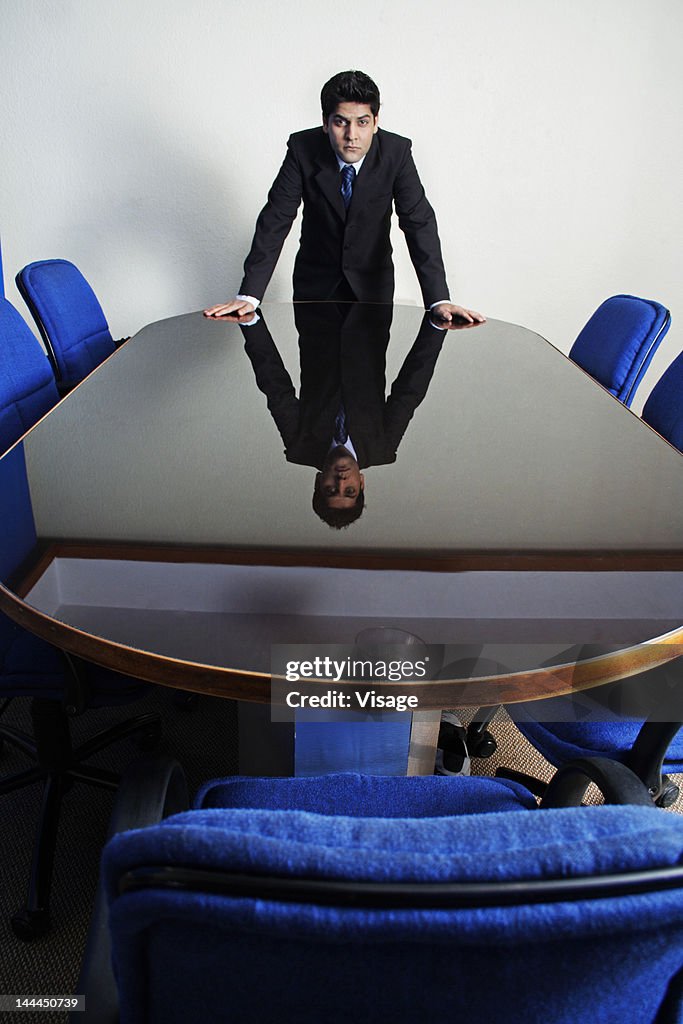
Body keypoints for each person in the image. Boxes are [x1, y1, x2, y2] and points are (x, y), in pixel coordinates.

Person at [204, 70, 484, 324]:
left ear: (375, 122)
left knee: (368, 378)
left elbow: (418, 222)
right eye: (341, 122)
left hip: (373, 290)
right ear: (326, 123)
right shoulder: (302, 149)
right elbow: (276, 218)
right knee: (316, 378)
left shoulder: (397, 153)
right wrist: (249, 296)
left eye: (362, 122)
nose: (352, 135)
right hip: (314, 290)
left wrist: (439, 299)